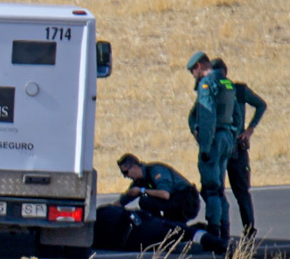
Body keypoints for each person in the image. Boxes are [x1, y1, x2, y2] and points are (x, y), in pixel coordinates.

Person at [212, 58, 267, 238]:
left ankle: (247, 228)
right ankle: (225, 228)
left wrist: (250, 129)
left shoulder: (237, 90)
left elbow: (261, 105)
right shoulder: (214, 91)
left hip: (233, 147)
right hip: (224, 147)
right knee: (221, 189)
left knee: (238, 190)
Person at [185, 51, 237, 238]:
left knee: (211, 188)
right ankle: (225, 226)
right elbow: (236, 114)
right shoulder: (227, 83)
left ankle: (214, 228)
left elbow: (207, 117)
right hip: (226, 138)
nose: (193, 75)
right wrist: (233, 136)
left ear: (199, 66)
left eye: (193, 71)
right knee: (220, 188)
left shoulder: (206, 85)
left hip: (213, 140)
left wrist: (205, 147)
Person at [93, 204, 228, 254]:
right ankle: (221, 244)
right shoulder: (103, 211)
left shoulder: (94, 235)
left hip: (135, 241)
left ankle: (204, 238)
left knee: (172, 237)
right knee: (187, 232)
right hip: (143, 227)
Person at [113, 153, 199, 223]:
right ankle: (160, 224)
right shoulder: (139, 181)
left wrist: (142, 190)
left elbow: (165, 194)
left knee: (145, 200)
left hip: (186, 201)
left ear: (134, 167)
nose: (125, 176)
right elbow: (123, 200)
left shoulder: (155, 170)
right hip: (173, 202)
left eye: (125, 172)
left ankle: (159, 224)